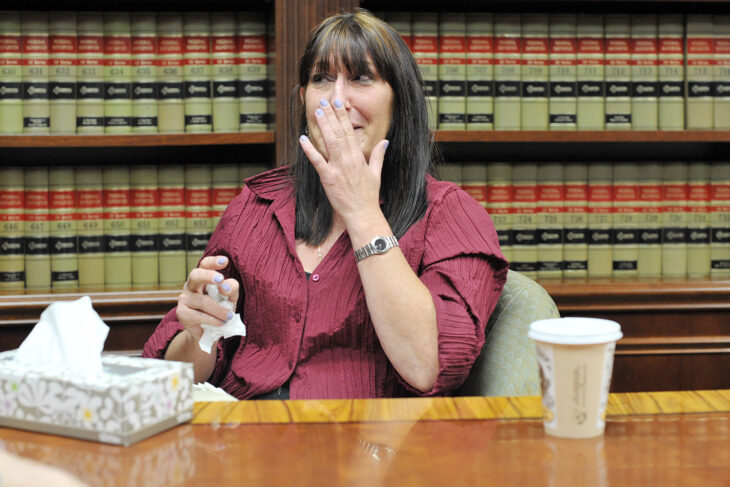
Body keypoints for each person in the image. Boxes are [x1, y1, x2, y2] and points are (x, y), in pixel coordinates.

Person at [143, 10, 508, 399]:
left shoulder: (449, 214)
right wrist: (201, 333)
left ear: (399, 102)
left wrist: (361, 210)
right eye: (321, 79)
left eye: (361, 78)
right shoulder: (256, 206)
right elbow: (171, 378)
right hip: (244, 437)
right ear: (303, 100)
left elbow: (426, 367)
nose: (336, 101)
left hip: (373, 447)